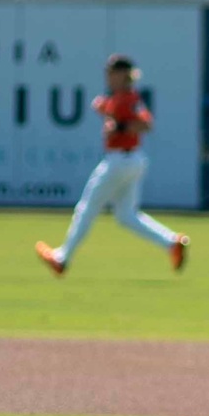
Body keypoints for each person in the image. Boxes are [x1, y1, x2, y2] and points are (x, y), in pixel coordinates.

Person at [35, 53, 189, 277]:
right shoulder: (120, 98)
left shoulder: (129, 97)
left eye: (111, 72)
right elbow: (118, 114)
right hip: (131, 160)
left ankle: (62, 258)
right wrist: (106, 110)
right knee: (127, 216)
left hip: (120, 161)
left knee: (86, 208)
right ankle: (171, 243)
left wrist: (119, 127)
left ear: (122, 75)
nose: (107, 76)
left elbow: (146, 124)